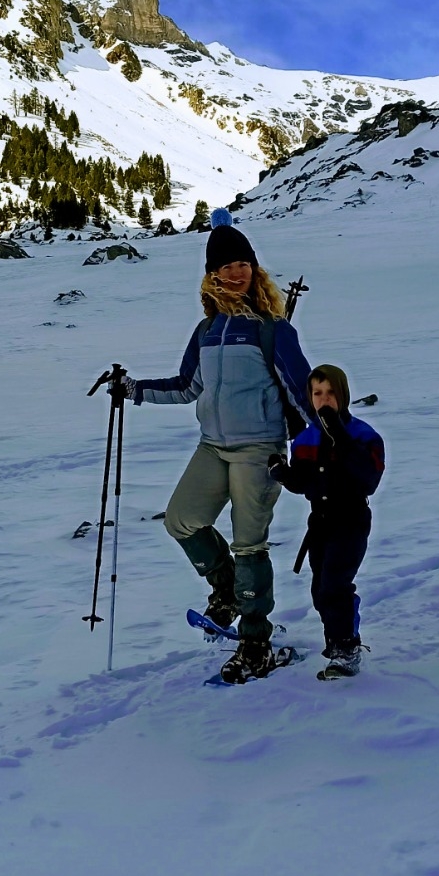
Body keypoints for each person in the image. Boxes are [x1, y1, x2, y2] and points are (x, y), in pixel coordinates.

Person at [118, 212, 316, 683]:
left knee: (250, 545)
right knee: (181, 518)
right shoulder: (206, 331)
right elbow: (188, 387)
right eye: (226, 265)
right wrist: (134, 390)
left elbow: (303, 394)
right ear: (212, 275)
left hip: (258, 451)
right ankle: (225, 589)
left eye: (244, 263)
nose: (237, 271)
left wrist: (323, 447)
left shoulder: (273, 329)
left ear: (254, 270)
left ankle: (255, 644)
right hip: (213, 446)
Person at [270, 365, 384, 680]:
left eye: (331, 393)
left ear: (343, 395)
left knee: (336, 584)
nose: (324, 400)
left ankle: (347, 650)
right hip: (320, 523)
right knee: (321, 590)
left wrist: (341, 439)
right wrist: (283, 473)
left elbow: (369, 479)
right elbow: (304, 481)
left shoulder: (363, 435)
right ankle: (336, 643)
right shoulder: (307, 438)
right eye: (317, 393)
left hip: (351, 518)